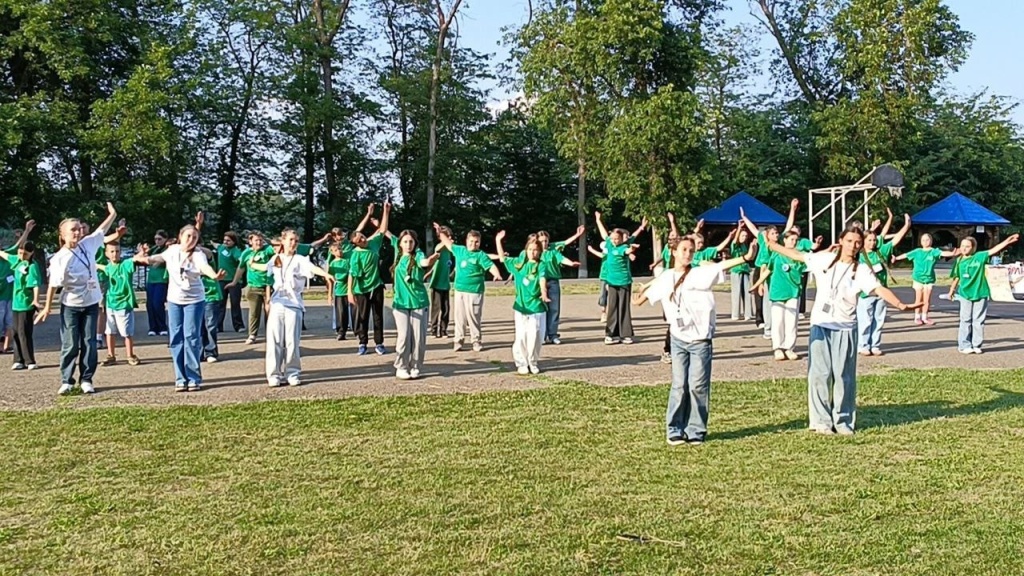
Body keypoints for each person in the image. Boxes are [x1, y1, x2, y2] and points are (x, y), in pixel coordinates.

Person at [765, 225, 921, 436]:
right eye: (849, 241)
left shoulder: (862, 270)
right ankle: (821, 421)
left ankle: (843, 420)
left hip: (845, 327)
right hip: (821, 325)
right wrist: (771, 244)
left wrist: (900, 304)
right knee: (819, 375)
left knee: (843, 376)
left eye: (857, 243)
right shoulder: (825, 259)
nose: (853, 246)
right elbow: (796, 255)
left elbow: (878, 289)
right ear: (841, 240)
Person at [634, 236, 755, 445]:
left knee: (698, 385)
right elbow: (642, 299)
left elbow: (722, 265)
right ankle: (675, 429)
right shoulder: (666, 277)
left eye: (691, 250)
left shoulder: (700, 273)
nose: (688, 254)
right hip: (678, 338)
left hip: (700, 339)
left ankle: (696, 430)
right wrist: (639, 296)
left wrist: (746, 257)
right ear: (673, 252)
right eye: (683, 250)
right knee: (679, 385)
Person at [37, 202, 119, 395]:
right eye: (73, 230)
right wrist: (47, 307)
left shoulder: (87, 244)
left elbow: (101, 230)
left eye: (79, 229)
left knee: (89, 342)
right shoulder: (59, 258)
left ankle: (86, 379)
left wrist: (113, 215)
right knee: (71, 343)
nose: (77, 232)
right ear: (63, 235)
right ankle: (67, 380)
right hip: (71, 305)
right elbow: (53, 285)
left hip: (91, 302)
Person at [137, 225, 224, 392]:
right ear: (180, 236)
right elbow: (157, 258)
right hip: (174, 300)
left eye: (194, 237)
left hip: (194, 300)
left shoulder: (198, 254)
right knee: (176, 337)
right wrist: (142, 258)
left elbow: (204, 267)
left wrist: (214, 275)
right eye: (188, 236)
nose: (191, 240)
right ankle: (180, 378)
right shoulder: (172, 251)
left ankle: (193, 378)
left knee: (191, 336)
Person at [262, 229, 333, 386]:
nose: (293, 243)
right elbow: (266, 274)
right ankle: (274, 374)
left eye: (296, 240)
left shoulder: (300, 259)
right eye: (290, 240)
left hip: (293, 304)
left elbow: (312, 268)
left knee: (292, 342)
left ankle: (292, 372)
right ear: (283, 241)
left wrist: (325, 274)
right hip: (277, 303)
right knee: (274, 340)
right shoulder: (275, 258)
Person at [947, 234, 1020, 354]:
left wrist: (1007, 241)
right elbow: (957, 277)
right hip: (965, 293)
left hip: (980, 292)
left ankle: (976, 344)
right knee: (965, 319)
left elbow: (994, 250)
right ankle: (964, 345)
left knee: (978, 320)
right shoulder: (959, 261)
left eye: (967, 246)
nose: (964, 248)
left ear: (973, 247)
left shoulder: (979, 256)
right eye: (962, 246)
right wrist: (951, 290)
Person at [435, 223, 502, 352]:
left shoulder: (481, 255)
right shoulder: (460, 250)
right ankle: (458, 340)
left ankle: (476, 340)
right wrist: (440, 232)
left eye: (476, 242)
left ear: (479, 243)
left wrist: (496, 274)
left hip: (475, 291)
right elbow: (447, 242)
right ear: (466, 241)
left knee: (473, 316)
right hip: (460, 290)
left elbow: (491, 266)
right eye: (471, 241)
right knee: (459, 317)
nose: (473, 244)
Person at [497, 231, 551, 374]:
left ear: (540, 252)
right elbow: (502, 259)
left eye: (536, 250)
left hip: (536, 306)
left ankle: (533, 362)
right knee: (521, 337)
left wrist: (544, 293)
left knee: (536, 336)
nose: (533, 252)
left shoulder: (541, 265)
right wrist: (498, 240)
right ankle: (521, 363)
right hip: (521, 307)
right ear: (526, 250)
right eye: (530, 249)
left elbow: (542, 279)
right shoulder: (518, 264)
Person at [857, 215, 911, 356]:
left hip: (882, 293)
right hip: (866, 293)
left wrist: (906, 226)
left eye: (874, 240)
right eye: (869, 240)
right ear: (863, 241)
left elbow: (895, 240)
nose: (872, 242)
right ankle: (863, 345)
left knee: (878, 320)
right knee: (865, 320)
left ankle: (875, 345)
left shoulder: (881, 252)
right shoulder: (859, 255)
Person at [749, 230, 806, 361]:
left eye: (796, 240)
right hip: (777, 292)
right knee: (778, 321)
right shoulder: (776, 254)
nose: (793, 242)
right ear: (784, 240)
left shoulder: (799, 256)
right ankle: (778, 348)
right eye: (791, 239)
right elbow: (767, 271)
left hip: (793, 292)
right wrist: (757, 284)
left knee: (791, 321)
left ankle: (789, 348)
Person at [390, 230, 439, 380]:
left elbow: (424, 263)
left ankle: (416, 366)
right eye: (405, 241)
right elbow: (385, 232)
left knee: (418, 338)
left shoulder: (418, 254)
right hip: (400, 303)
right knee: (404, 336)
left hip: (419, 302)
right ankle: (401, 367)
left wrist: (432, 259)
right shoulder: (397, 255)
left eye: (411, 241)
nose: (408, 245)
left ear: (415, 243)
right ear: (399, 243)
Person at [595, 211, 647, 345]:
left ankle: (625, 335)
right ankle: (611, 334)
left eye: (616, 239)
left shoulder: (624, 246)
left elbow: (629, 248)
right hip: (611, 282)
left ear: (621, 239)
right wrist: (598, 220)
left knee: (623, 308)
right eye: (612, 238)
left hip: (624, 281)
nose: (614, 241)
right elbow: (603, 233)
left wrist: (633, 249)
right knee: (612, 307)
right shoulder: (609, 243)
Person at [347, 202, 391, 356]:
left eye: (363, 236)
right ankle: (363, 343)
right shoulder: (355, 255)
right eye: (359, 240)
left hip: (376, 286)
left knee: (378, 316)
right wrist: (350, 292)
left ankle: (379, 343)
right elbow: (352, 274)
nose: (363, 239)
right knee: (363, 316)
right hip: (361, 289)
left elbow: (382, 230)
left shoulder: (373, 244)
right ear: (356, 244)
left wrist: (386, 211)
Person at [893, 233, 958, 326]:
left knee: (926, 300)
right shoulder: (917, 251)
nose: (925, 242)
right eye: (923, 240)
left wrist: (952, 253)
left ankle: (925, 317)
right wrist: (896, 258)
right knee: (918, 299)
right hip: (918, 279)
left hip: (929, 279)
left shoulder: (934, 252)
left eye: (927, 240)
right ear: (920, 241)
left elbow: (943, 253)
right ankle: (917, 317)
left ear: (931, 241)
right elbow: (906, 255)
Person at [537, 225, 584, 345]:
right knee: (541, 310)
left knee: (554, 309)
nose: (544, 243)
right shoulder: (534, 252)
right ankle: (542, 335)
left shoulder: (553, 250)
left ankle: (553, 335)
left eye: (546, 241)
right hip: (538, 282)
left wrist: (571, 263)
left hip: (552, 281)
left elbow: (563, 255)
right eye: (541, 241)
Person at [97, 241, 141, 367]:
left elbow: (134, 260)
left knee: (126, 332)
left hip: (124, 304)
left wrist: (140, 254)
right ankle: (111, 355)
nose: (114, 254)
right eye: (111, 251)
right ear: (106, 253)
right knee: (109, 331)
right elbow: (101, 267)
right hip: (111, 303)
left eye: (117, 251)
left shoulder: (125, 264)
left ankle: (130, 355)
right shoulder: (108, 267)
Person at [226, 232, 274, 345]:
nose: (259, 242)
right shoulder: (246, 253)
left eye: (261, 240)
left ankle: (271, 334)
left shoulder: (267, 250)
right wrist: (234, 282)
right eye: (256, 240)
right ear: (250, 241)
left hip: (268, 286)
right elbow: (241, 268)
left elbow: (279, 247)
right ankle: (252, 335)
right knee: (254, 312)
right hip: (253, 287)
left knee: (270, 312)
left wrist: (270, 240)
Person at [0, 241, 41, 370]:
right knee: (16, 332)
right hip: (16, 303)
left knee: (24, 332)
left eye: (25, 254)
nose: (22, 256)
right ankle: (18, 360)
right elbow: (5, 255)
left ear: (31, 253)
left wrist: (36, 300)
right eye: (20, 253)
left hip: (26, 303)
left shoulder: (32, 266)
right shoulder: (17, 261)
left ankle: (29, 360)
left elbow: (35, 284)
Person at [739, 208, 778, 339]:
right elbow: (752, 228)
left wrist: (792, 211)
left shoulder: (777, 244)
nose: (776, 235)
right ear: (767, 234)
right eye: (772, 233)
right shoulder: (762, 239)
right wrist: (744, 217)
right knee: (761, 297)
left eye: (776, 233)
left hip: (769, 271)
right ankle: (762, 321)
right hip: (760, 269)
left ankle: (769, 324)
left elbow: (789, 226)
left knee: (768, 298)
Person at [215, 231, 245, 332]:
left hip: (234, 281)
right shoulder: (221, 248)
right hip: (221, 280)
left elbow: (241, 261)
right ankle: (218, 326)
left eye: (228, 240)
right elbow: (214, 245)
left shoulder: (236, 251)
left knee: (235, 304)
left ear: (234, 241)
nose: (226, 242)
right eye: (224, 240)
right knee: (220, 304)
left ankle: (238, 325)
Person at [198, 247, 223, 363]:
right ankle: (198, 352)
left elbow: (209, 254)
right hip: (195, 297)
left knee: (210, 325)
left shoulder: (207, 258)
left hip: (211, 295)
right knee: (197, 326)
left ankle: (210, 351)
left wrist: (196, 247)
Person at [143, 229, 170, 336]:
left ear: (165, 239)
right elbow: (145, 258)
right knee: (150, 304)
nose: (157, 241)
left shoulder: (167, 249)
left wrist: (152, 260)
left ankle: (162, 326)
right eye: (155, 239)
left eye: (160, 239)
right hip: (151, 280)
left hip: (161, 280)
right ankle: (153, 327)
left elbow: (159, 261)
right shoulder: (154, 249)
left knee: (157, 303)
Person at [428, 225, 454, 339]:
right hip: (437, 284)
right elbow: (438, 248)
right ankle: (433, 330)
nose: (450, 238)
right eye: (447, 236)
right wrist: (444, 238)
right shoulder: (439, 248)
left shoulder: (449, 251)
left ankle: (444, 330)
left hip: (446, 284)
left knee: (446, 309)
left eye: (450, 236)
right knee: (436, 308)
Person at [728, 222, 755, 322]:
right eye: (743, 235)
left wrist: (753, 247)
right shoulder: (734, 245)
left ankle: (748, 313)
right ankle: (735, 314)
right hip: (736, 270)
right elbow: (735, 240)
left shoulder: (745, 245)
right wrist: (739, 228)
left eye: (746, 236)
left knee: (747, 292)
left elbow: (749, 257)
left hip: (745, 270)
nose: (744, 237)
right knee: (736, 293)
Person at [327, 242, 351, 341]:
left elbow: (350, 275)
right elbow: (330, 280)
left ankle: (348, 328)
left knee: (348, 312)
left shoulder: (346, 262)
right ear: (332, 252)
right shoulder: (333, 264)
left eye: (340, 249)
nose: (339, 251)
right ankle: (340, 331)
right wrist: (329, 295)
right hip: (339, 291)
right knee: (340, 312)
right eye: (336, 250)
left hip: (347, 289)